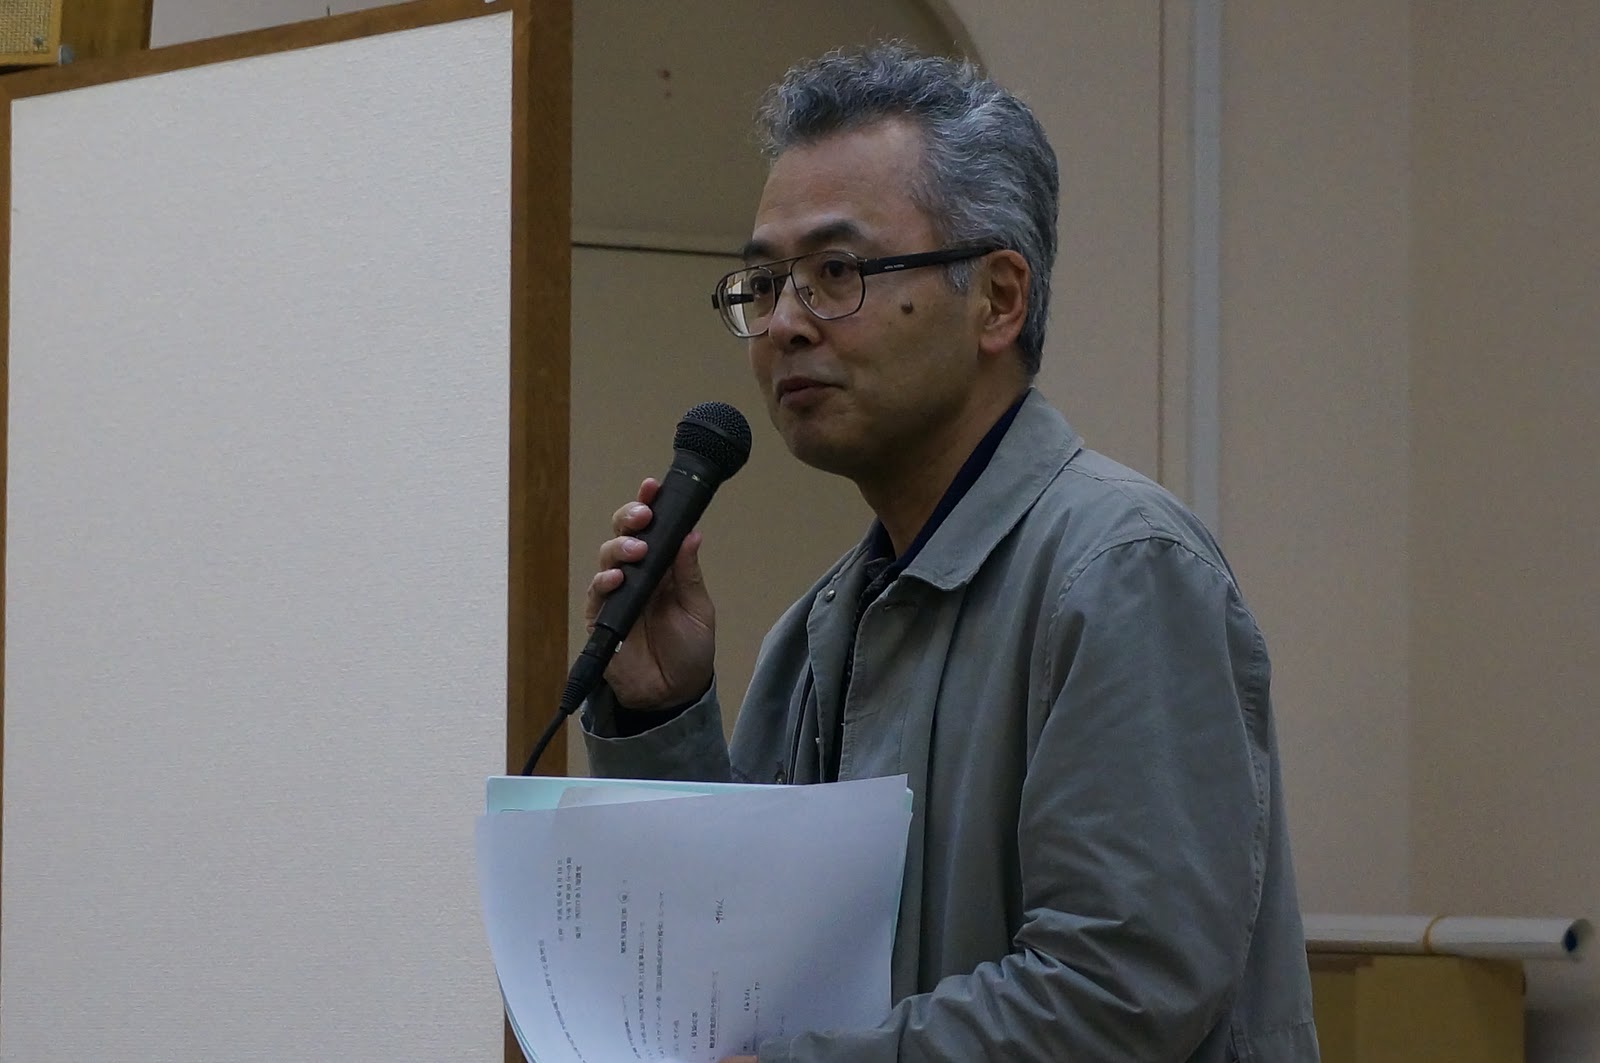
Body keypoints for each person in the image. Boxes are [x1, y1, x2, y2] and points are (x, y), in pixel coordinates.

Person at [580, 43, 1319, 1063]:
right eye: (765, 281)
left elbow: (1119, 994)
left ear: (999, 299)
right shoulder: (822, 623)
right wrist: (661, 712)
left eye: (836, 273)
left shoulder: (1121, 569)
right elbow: (743, 958)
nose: (784, 323)